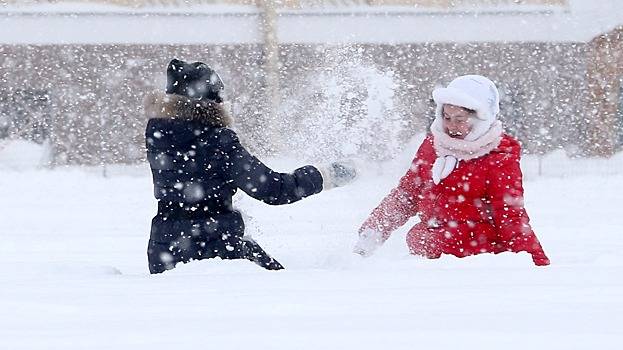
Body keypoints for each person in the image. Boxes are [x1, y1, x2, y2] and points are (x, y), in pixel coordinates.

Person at [144, 59, 356, 274]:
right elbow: (274, 190)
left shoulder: (159, 134)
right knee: (284, 287)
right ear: (212, 100)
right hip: (212, 249)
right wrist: (326, 175)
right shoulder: (216, 139)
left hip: (164, 252)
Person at [354, 75, 550, 266]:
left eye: (460, 119)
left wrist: (534, 262)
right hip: (430, 255)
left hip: (475, 261)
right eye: (447, 117)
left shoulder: (498, 157)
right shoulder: (433, 146)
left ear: (481, 120)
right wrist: (373, 231)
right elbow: (407, 195)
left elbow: (509, 215)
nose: (451, 126)